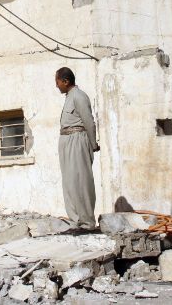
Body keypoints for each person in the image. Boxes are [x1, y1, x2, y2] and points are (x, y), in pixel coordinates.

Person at [55, 67, 99, 229]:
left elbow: (89, 122)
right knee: (69, 182)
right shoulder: (69, 97)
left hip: (77, 140)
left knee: (81, 181)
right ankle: (75, 221)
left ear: (66, 81)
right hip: (66, 140)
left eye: (58, 82)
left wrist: (93, 145)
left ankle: (87, 222)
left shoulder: (79, 96)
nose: (56, 85)